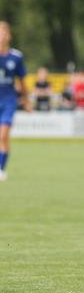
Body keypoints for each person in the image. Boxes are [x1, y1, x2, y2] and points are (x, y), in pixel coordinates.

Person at [0, 21, 28, 181]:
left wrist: (26, 100)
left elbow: (22, 81)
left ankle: (1, 169)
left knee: (3, 136)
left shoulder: (16, 57)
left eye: (4, 33)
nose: (1, 36)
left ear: (9, 36)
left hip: (8, 101)